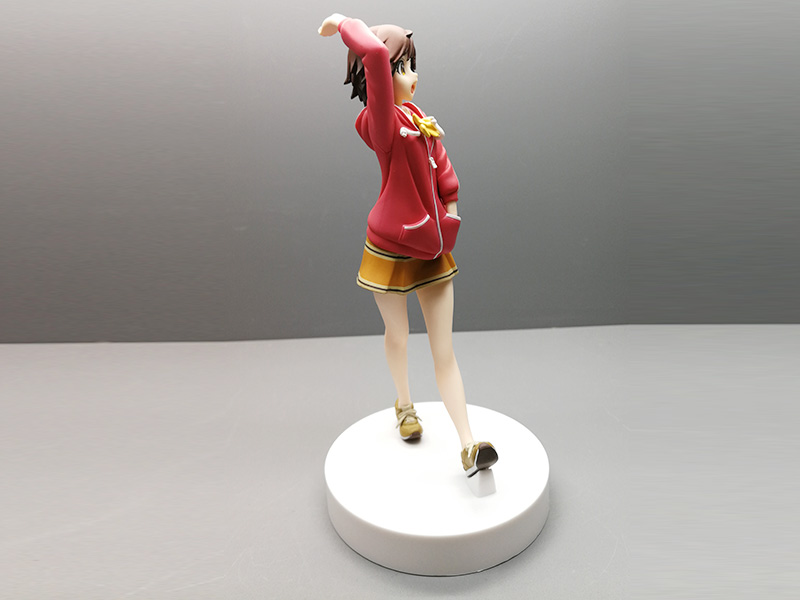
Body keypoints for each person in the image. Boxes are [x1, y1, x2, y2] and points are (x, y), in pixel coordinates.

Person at [319, 14, 497, 477]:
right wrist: (344, 22)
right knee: (398, 334)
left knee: (445, 350)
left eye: (412, 66)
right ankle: (404, 404)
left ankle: (469, 443)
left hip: (432, 248)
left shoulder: (420, 120)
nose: (411, 77)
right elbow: (376, 53)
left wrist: (451, 213)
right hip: (391, 247)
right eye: (401, 68)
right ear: (375, 74)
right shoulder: (377, 125)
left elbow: (445, 171)